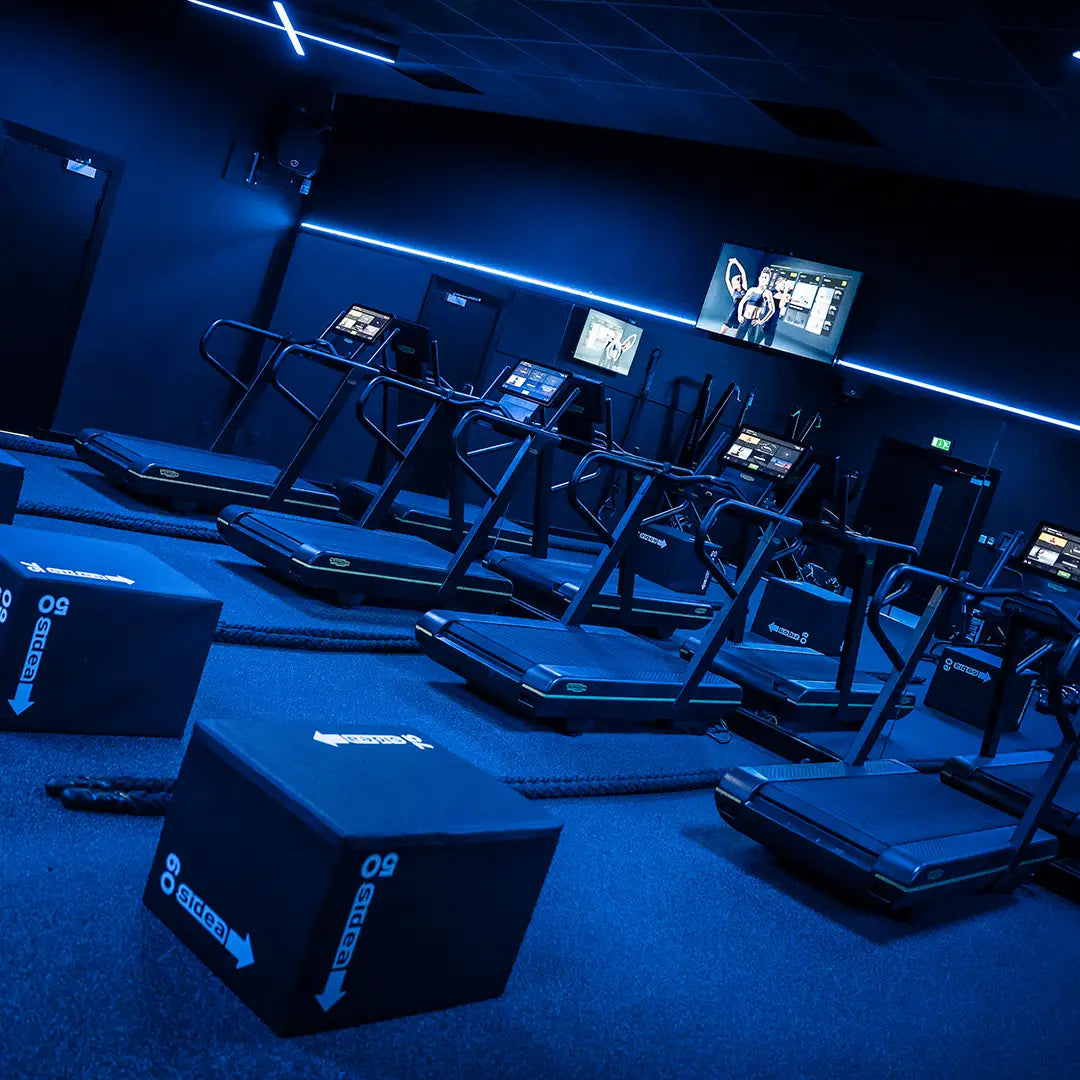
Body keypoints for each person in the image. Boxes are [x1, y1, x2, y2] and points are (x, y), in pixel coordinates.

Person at [735, 268, 776, 343]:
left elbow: (772, 310)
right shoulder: (751, 290)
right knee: (736, 341)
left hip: (754, 323)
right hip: (744, 320)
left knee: (751, 344)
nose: (763, 279)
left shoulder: (767, 293)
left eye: (766, 278)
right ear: (759, 278)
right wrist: (739, 316)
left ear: (768, 280)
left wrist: (761, 321)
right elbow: (741, 303)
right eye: (762, 277)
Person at [718, 256, 748, 337]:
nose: (733, 284)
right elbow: (726, 279)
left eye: (734, 282)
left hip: (741, 317)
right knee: (721, 334)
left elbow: (743, 273)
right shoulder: (733, 292)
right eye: (732, 283)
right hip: (732, 316)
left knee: (736, 338)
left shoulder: (744, 289)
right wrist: (730, 265)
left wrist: (736, 262)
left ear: (739, 282)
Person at [760, 277, 791, 349]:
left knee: (768, 344)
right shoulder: (770, 292)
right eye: (783, 284)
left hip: (773, 322)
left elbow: (781, 305)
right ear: (777, 283)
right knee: (757, 338)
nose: (784, 286)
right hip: (766, 319)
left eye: (785, 284)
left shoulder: (783, 295)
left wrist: (786, 293)